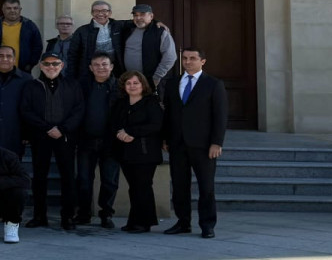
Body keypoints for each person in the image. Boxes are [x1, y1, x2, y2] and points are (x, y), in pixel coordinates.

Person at [163, 47, 227, 239]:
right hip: (178, 144)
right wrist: (166, 138)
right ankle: (183, 222)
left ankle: (207, 225)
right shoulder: (173, 83)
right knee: (180, 186)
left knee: (206, 187)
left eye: (192, 58)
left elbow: (220, 116)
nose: (188, 62)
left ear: (202, 61)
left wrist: (216, 143)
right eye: (185, 58)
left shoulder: (214, 84)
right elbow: (168, 114)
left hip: (204, 145)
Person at [20, 50, 83, 231]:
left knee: (68, 177)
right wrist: (46, 128)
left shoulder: (72, 85)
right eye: (47, 64)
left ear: (61, 65)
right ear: (41, 66)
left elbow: (79, 110)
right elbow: (26, 110)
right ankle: (40, 216)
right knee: (39, 177)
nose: (51, 67)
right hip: (41, 137)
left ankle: (67, 217)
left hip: (65, 137)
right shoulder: (31, 86)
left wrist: (62, 129)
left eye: (55, 63)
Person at [113, 70, 164, 233]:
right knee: (133, 187)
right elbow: (113, 122)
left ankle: (144, 223)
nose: (132, 86)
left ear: (143, 85)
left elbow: (156, 125)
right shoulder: (121, 103)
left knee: (143, 187)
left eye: (136, 83)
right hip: (125, 152)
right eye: (128, 83)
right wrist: (120, 133)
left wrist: (131, 132)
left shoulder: (151, 102)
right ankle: (134, 221)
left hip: (146, 153)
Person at [75, 52, 121, 228]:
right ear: (90, 68)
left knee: (109, 181)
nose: (101, 68)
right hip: (86, 141)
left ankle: (106, 214)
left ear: (111, 67)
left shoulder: (120, 87)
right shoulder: (82, 86)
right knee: (84, 180)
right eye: (96, 65)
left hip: (111, 142)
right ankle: (84, 213)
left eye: (104, 64)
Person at [119, 4, 177, 90]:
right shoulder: (127, 29)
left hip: (152, 82)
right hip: (129, 82)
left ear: (151, 16)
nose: (138, 18)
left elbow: (170, 57)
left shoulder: (160, 32)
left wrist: (156, 78)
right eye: (135, 15)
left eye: (142, 14)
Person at [66, 1, 125, 79]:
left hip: (116, 71)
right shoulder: (82, 31)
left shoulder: (120, 26)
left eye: (104, 11)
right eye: (96, 11)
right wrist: (71, 77)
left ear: (110, 13)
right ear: (92, 13)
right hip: (90, 72)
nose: (100, 14)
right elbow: (73, 55)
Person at [0, 0, 44, 74]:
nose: (12, 11)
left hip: (23, 70)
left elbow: (37, 46)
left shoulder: (30, 26)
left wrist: (30, 64)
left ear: (20, 9)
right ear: (3, 10)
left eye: (15, 8)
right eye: (8, 8)